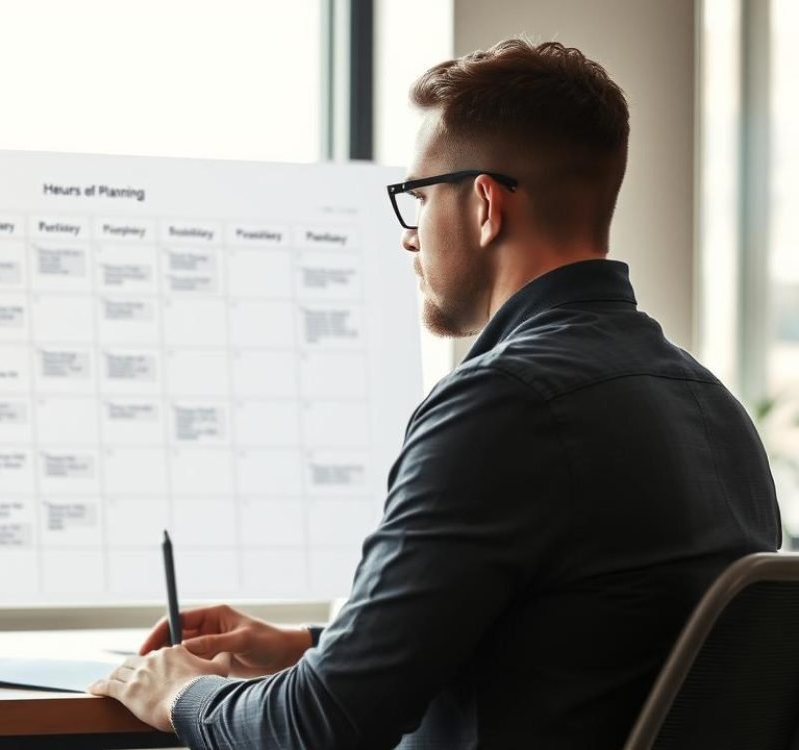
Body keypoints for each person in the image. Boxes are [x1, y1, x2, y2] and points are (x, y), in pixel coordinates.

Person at [88, 38, 781, 749]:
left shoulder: (502, 403)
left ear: (484, 205)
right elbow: (575, 640)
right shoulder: (713, 406)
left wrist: (179, 693)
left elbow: (319, 728)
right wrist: (305, 643)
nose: (409, 238)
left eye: (416, 199)